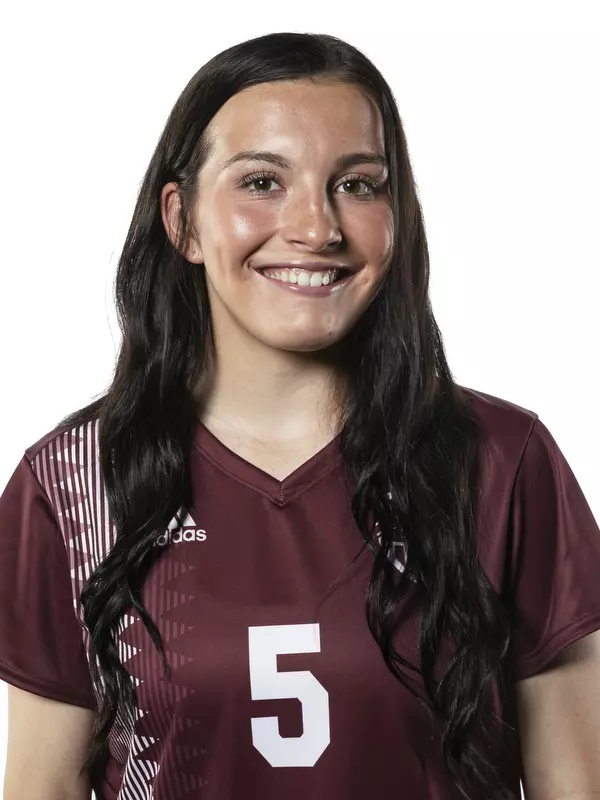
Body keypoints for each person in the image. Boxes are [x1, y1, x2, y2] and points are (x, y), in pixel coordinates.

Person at [1, 31, 599, 800]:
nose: (317, 228)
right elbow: (40, 786)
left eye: (357, 185)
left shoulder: (500, 462)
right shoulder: (73, 483)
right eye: (262, 182)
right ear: (182, 220)